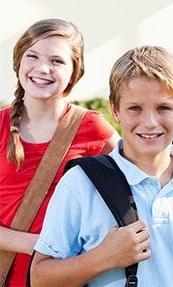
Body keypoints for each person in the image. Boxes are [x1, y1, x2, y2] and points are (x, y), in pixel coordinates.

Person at [30, 45, 173, 286]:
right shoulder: (79, 184)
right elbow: (39, 278)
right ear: (115, 110)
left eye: (163, 108)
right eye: (135, 108)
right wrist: (101, 258)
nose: (149, 122)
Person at [0, 18, 118, 286]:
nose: (43, 68)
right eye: (33, 56)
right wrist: (40, 244)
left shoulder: (92, 127)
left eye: (57, 61)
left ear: (75, 72)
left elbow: (134, 178)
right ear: (19, 60)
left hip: (65, 279)